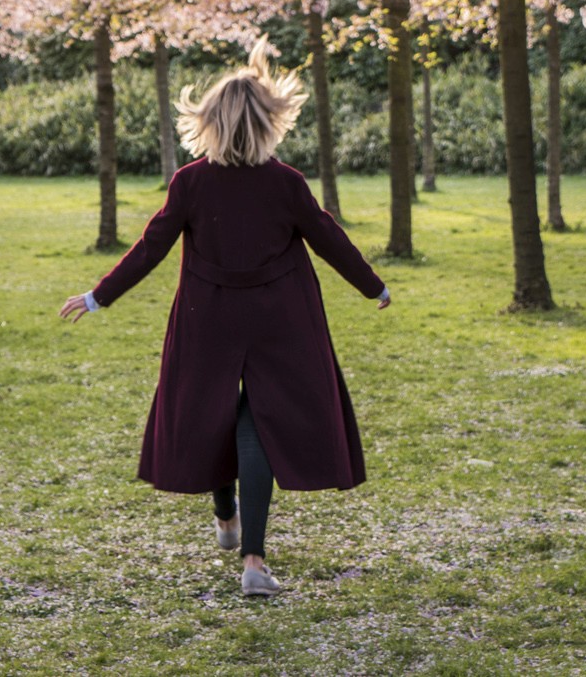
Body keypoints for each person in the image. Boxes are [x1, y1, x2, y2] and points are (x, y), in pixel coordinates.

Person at [60, 38, 391, 598]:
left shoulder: (190, 182)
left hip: (206, 317)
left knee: (209, 415)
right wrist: (372, 285)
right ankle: (254, 562)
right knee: (256, 425)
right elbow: (326, 236)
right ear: (269, 122)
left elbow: (152, 246)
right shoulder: (286, 182)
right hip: (281, 319)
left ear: (208, 121)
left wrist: (99, 296)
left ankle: (226, 516)